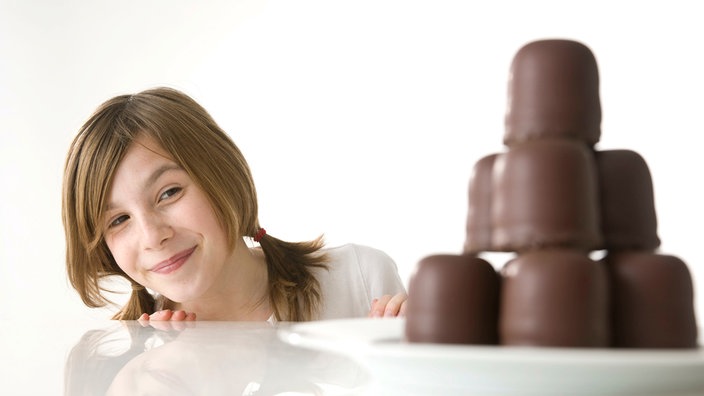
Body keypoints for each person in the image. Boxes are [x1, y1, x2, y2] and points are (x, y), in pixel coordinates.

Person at [62, 87, 407, 322]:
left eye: (169, 193)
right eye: (119, 219)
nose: (153, 236)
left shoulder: (359, 279)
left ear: (220, 176)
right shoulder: (129, 363)